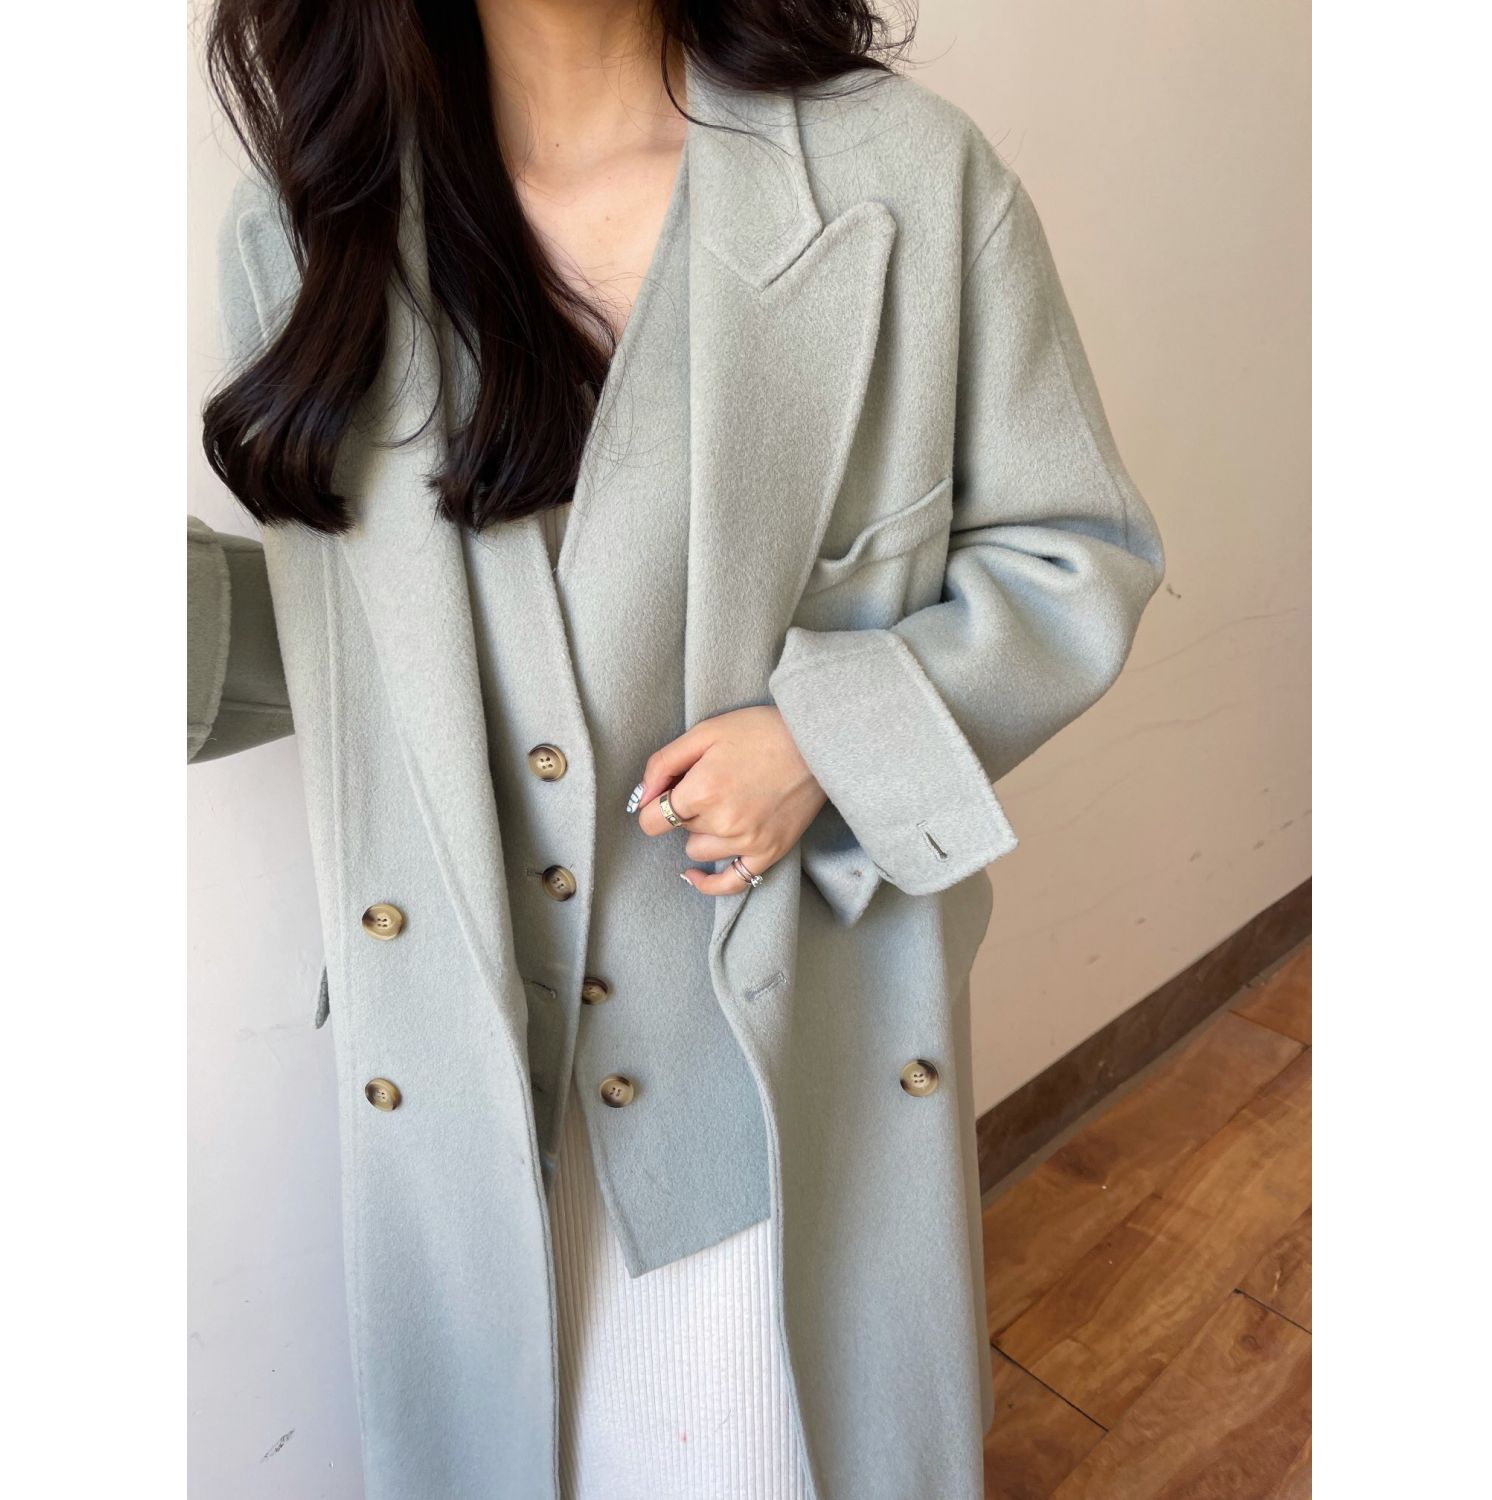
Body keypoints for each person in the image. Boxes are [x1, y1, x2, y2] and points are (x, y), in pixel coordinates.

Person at [188, 1, 1165, 1495]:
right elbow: (367, 642)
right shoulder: (312, 225)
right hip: (474, 1069)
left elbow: (1071, 554)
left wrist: (826, 738)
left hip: (764, 1046)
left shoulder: (903, 177)